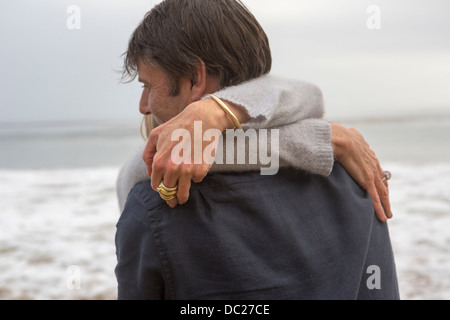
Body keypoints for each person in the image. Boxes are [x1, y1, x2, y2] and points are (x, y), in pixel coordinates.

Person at [115, 0, 399, 300]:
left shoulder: (155, 206)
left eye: (147, 85)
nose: (143, 105)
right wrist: (318, 139)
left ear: (194, 79)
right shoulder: (358, 174)